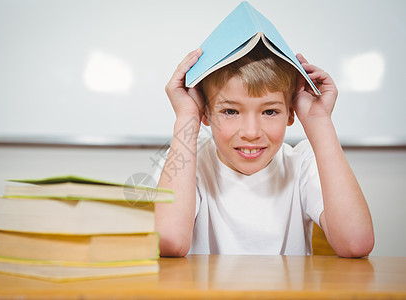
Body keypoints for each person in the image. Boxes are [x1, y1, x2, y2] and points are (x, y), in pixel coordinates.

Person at [154, 43, 374, 258]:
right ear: (206, 113)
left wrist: (320, 121)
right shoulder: (186, 159)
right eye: (230, 111)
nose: (251, 132)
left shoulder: (303, 161)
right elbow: (169, 241)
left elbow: (356, 243)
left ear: (290, 113)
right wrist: (187, 117)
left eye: (269, 112)